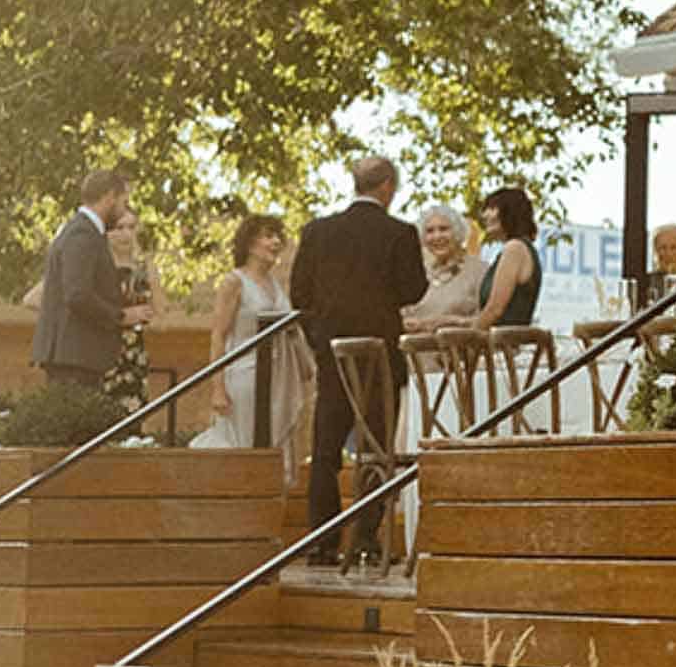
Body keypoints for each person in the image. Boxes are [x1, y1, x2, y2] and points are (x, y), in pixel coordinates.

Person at [289, 154, 427, 564]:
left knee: (326, 448)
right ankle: (366, 539)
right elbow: (413, 289)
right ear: (386, 186)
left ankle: (321, 542)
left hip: (333, 355)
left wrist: (320, 338)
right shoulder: (399, 233)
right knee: (375, 448)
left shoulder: (318, 231)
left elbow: (300, 295)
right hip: (379, 355)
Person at [193, 212, 311, 463]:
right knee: (245, 446)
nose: (276, 242)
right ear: (249, 243)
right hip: (245, 376)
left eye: (278, 236)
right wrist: (218, 388)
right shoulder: (234, 282)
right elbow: (218, 335)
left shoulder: (275, 284)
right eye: (268, 236)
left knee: (275, 448)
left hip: (278, 376)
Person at [28, 169, 149, 390]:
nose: (123, 210)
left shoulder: (86, 232)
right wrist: (121, 316)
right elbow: (77, 294)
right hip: (74, 358)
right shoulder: (82, 234)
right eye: (123, 202)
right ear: (110, 197)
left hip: (79, 358)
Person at [99, 207, 159, 410]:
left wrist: (150, 266)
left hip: (133, 356)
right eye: (119, 228)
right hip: (100, 353)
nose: (126, 234)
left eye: (131, 227)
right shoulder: (94, 266)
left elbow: (160, 311)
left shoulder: (142, 268)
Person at [471, 188, 543, 329]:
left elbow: (495, 310)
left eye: (491, 208)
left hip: (505, 346)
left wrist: (469, 341)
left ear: (509, 212)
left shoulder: (514, 248)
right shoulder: (518, 248)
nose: (484, 215)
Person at [401, 208, 483, 328]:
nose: (437, 236)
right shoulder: (416, 272)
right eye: (429, 231)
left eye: (443, 229)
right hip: (416, 345)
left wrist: (450, 321)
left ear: (457, 232)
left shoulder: (479, 270)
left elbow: (487, 319)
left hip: (461, 344)